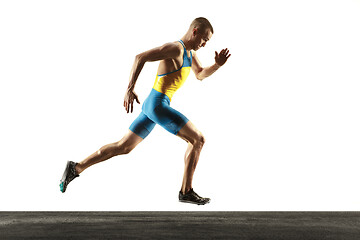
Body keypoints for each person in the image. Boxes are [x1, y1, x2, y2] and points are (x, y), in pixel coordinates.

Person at [60, 17, 231, 205]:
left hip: (153, 106)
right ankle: (186, 191)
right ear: (195, 31)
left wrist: (217, 65)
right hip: (158, 106)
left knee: (123, 147)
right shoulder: (176, 49)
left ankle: (76, 168)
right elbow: (140, 57)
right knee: (198, 139)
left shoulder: (190, 54)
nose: (205, 44)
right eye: (204, 39)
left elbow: (199, 75)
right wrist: (129, 88)